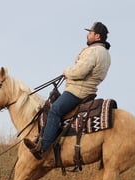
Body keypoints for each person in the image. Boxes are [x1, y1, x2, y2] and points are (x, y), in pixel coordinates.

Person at [24, 21, 111, 160]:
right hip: (88, 89)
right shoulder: (106, 53)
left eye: (90, 33)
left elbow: (81, 71)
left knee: (55, 110)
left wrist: (67, 72)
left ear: (98, 36)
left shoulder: (93, 51)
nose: (88, 35)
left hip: (78, 91)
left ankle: (43, 148)